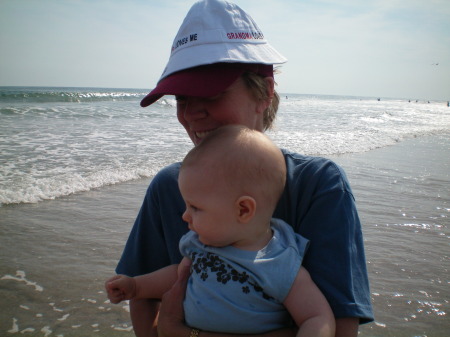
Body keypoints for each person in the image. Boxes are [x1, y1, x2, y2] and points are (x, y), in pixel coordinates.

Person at [115, 0, 374, 336]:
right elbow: (145, 298)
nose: (191, 113)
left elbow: (338, 324)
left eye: (211, 94)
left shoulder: (317, 185)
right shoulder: (170, 186)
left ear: (264, 93)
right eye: (180, 98)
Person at [107, 125, 336, 336]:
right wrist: (136, 286)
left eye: (195, 207)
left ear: (243, 210)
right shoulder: (199, 245)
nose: (185, 216)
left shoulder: (278, 261)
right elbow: (178, 275)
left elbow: (316, 316)